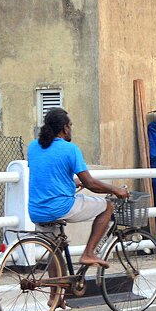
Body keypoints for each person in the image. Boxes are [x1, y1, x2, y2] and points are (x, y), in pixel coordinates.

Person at [27, 107, 129, 270]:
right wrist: (116, 190)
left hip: (36, 210)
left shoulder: (33, 147)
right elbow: (90, 183)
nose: (71, 129)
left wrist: (70, 182)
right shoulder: (70, 149)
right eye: (70, 125)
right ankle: (88, 253)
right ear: (64, 128)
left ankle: (56, 295)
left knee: (54, 250)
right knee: (108, 206)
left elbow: (46, 173)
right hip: (60, 208)